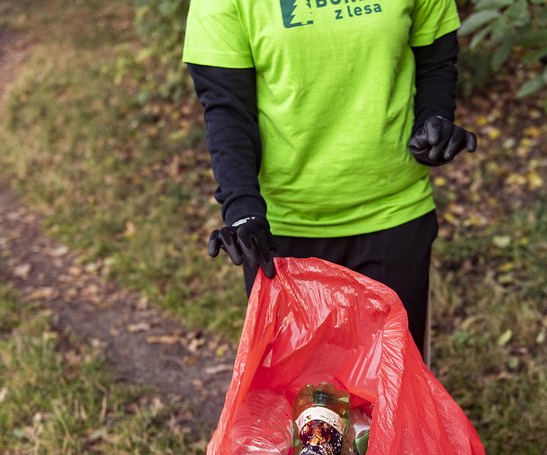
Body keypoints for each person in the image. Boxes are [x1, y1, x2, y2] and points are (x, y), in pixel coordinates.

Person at [182, 0, 477, 357]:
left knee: (392, 393)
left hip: (395, 213)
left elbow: (436, 62)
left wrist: (434, 120)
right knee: (303, 404)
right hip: (285, 228)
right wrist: (242, 207)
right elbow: (227, 107)